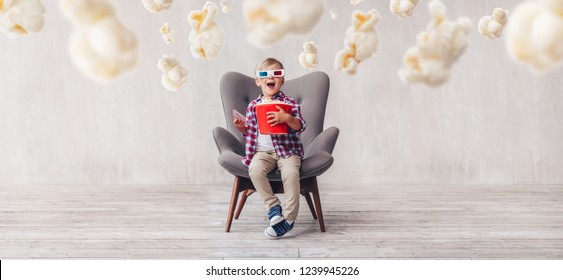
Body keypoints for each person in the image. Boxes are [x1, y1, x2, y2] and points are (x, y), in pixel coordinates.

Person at [233, 57, 306, 239]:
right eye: (264, 75)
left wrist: (287, 118)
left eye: (276, 74)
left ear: (282, 80)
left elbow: (300, 126)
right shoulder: (253, 106)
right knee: (255, 170)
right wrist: (242, 128)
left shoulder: (289, 104)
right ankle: (273, 208)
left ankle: (288, 219)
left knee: (290, 174)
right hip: (262, 152)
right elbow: (250, 133)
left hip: (287, 151)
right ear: (258, 81)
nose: (269, 78)